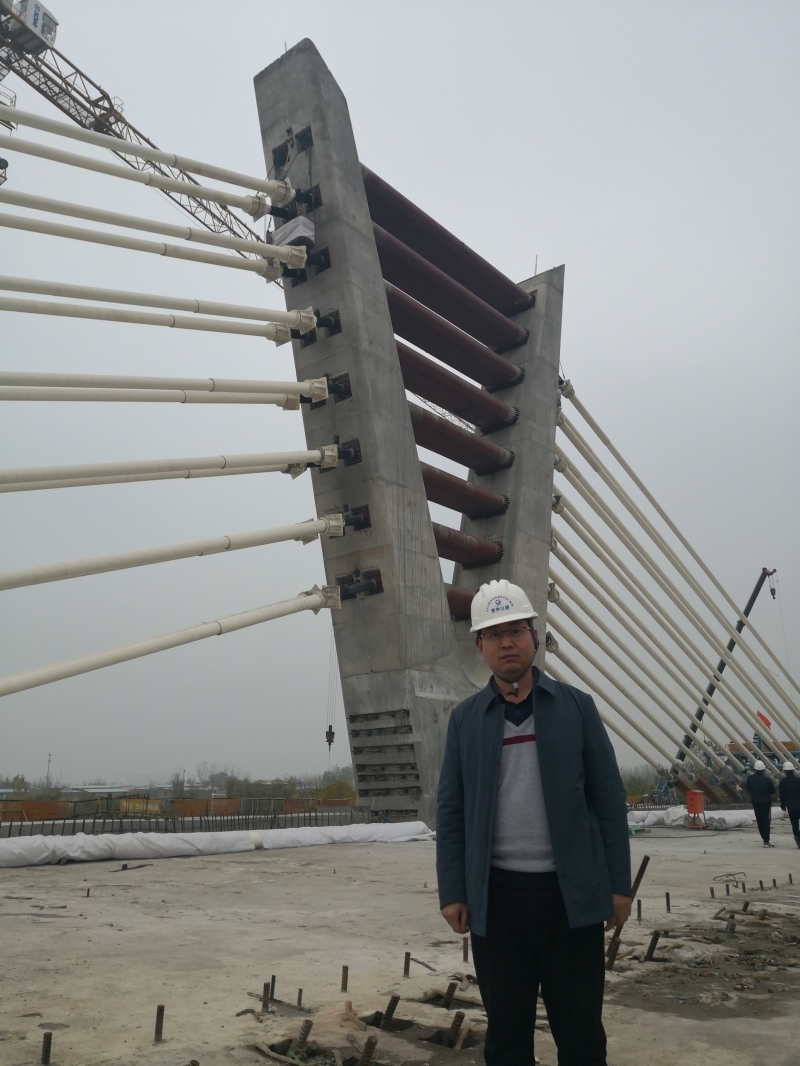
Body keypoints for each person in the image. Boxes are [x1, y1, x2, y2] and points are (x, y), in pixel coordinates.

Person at [436, 579, 631, 1066]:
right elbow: (452, 812)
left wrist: (618, 886)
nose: (507, 642)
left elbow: (609, 801)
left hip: (571, 901)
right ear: (479, 646)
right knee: (506, 1039)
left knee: (581, 1035)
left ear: (535, 636)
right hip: (498, 903)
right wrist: (453, 890)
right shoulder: (465, 720)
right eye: (494, 634)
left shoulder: (577, 708)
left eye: (516, 630)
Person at [745, 759, 777, 847]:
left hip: (755, 802)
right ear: (763, 769)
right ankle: (766, 840)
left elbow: (748, 789)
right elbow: (772, 791)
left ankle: (764, 837)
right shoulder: (767, 780)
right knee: (766, 821)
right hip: (766, 802)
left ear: (755, 769)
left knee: (759, 820)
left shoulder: (750, 779)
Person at [779, 760, 800, 849]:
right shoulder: (798, 781)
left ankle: (797, 838)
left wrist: (783, 806)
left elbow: (782, 795)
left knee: (794, 824)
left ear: (785, 771)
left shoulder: (783, 782)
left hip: (791, 807)